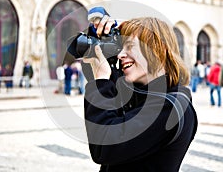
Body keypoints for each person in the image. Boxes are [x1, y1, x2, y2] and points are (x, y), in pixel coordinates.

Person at [82, 11, 198, 171]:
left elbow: (104, 147)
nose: (121, 54)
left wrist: (101, 80)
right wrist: (100, 31)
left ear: (158, 50)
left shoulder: (171, 108)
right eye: (121, 48)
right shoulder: (142, 95)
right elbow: (110, 88)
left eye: (129, 46)